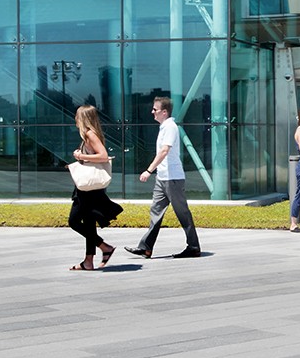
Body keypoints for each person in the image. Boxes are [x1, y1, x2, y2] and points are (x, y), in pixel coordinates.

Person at [126, 95, 202, 259]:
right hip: (162, 178)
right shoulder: (163, 127)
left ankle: (194, 247)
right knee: (156, 211)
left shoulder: (171, 127)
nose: (152, 112)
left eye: (155, 109)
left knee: (182, 213)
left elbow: (164, 151)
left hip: (173, 178)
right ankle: (145, 248)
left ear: (164, 112)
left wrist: (149, 170)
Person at [67, 104, 122, 270]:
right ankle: (88, 261)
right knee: (89, 221)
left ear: (83, 118)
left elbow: (103, 156)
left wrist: (80, 156)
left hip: (88, 188)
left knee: (74, 221)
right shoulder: (88, 135)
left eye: (77, 115)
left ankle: (105, 247)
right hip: (89, 187)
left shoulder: (90, 134)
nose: (75, 118)